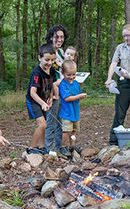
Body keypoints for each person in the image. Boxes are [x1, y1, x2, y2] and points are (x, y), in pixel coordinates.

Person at [26, 43, 57, 155]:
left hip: (43, 100)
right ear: (39, 57)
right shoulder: (36, 73)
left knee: (43, 125)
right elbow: (32, 93)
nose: (50, 63)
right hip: (34, 101)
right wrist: (42, 103)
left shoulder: (52, 70)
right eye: (47, 60)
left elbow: (52, 85)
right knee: (43, 125)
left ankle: (42, 147)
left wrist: (51, 97)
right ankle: (32, 148)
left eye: (52, 60)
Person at [44, 25, 68, 155]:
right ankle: (49, 149)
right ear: (51, 37)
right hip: (53, 90)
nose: (59, 39)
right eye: (56, 37)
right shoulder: (48, 51)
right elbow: (47, 72)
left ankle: (59, 147)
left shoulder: (61, 51)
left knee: (61, 120)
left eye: (62, 37)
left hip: (62, 88)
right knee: (51, 120)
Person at [59, 60, 87, 157]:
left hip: (75, 112)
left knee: (74, 130)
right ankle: (63, 146)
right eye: (68, 75)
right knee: (66, 131)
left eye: (73, 74)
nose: (71, 77)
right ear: (63, 73)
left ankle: (72, 146)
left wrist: (81, 97)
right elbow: (67, 98)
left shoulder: (75, 83)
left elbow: (77, 95)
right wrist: (79, 96)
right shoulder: (63, 84)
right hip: (67, 113)